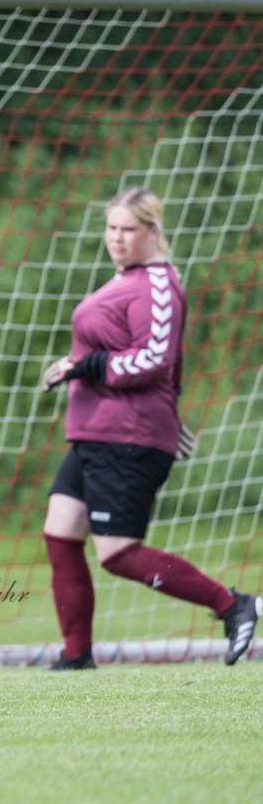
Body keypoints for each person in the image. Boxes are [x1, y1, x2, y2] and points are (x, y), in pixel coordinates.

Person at [40, 186, 260, 670]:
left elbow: (156, 359)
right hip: (97, 431)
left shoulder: (158, 284)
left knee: (117, 553)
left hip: (128, 435)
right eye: (111, 228)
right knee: (60, 532)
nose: (116, 238)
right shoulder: (127, 280)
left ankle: (231, 605)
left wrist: (86, 366)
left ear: (152, 231)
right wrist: (74, 364)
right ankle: (75, 657)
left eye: (128, 229)